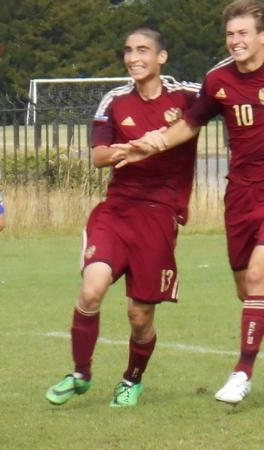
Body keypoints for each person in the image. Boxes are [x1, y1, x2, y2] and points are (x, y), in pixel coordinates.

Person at [111, 0, 264, 405]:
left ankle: (242, 372)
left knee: (258, 280)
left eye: (243, 33)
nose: (236, 41)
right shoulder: (218, 80)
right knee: (245, 288)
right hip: (241, 194)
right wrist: (152, 143)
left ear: (261, 36)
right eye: (231, 34)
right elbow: (190, 123)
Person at [43, 28, 199, 409]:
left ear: (161, 57)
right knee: (91, 290)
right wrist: (128, 149)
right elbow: (97, 156)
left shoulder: (187, 96)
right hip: (116, 210)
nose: (133, 58)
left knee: (139, 316)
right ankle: (80, 373)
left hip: (159, 216)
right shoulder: (114, 100)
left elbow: (224, 100)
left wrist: (160, 140)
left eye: (143, 50)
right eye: (128, 51)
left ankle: (132, 378)